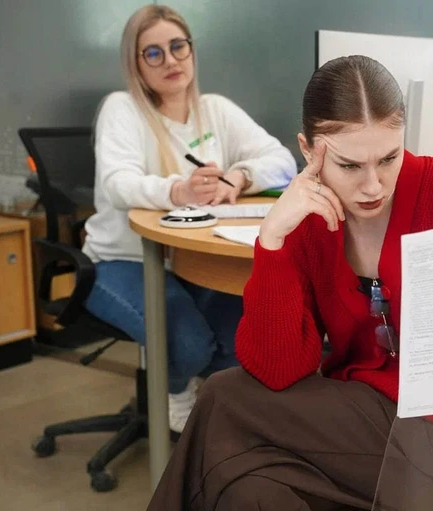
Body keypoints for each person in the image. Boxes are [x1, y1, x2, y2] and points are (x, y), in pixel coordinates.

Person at [148, 56, 433, 510]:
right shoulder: (308, 220)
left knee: (222, 398)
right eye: (350, 165)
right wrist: (273, 240)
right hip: (354, 425)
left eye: (389, 158)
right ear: (308, 150)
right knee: (247, 486)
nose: (373, 185)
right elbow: (277, 370)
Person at [81, 4, 297, 432]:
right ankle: (175, 392)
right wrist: (177, 190)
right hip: (123, 260)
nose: (170, 60)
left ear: (192, 50)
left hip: (189, 258)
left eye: (177, 46)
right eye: (153, 53)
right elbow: (117, 184)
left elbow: (283, 161)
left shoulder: (214, 109)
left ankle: (198, 390)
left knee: (243, 336)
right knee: (189, 345)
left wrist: (239, 176)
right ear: (136, 64)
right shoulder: (121, 108)